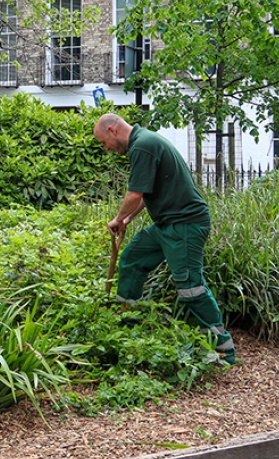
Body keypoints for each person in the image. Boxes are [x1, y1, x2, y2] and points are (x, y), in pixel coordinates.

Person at [93, 113, 236, 364]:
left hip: (185, 225)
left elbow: (135, 194)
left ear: (113, 130)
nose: (106, 149)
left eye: (104, 142)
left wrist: (117, 218)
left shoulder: (143, 146)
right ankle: (129, 327)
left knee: (190, 286)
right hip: (165, 225)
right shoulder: (144, 142)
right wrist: (128, 220)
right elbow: (146, 193)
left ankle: (223, 350)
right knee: (132, 261)